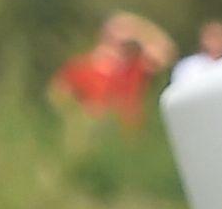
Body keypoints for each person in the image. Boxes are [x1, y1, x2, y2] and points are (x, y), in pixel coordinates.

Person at [51, 9, 179, 126]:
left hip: (126, 137)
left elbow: (166, 52)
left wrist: (138, 26)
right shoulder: (81, 66)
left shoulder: (134, 68)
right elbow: (58, 95)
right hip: (95, 133)